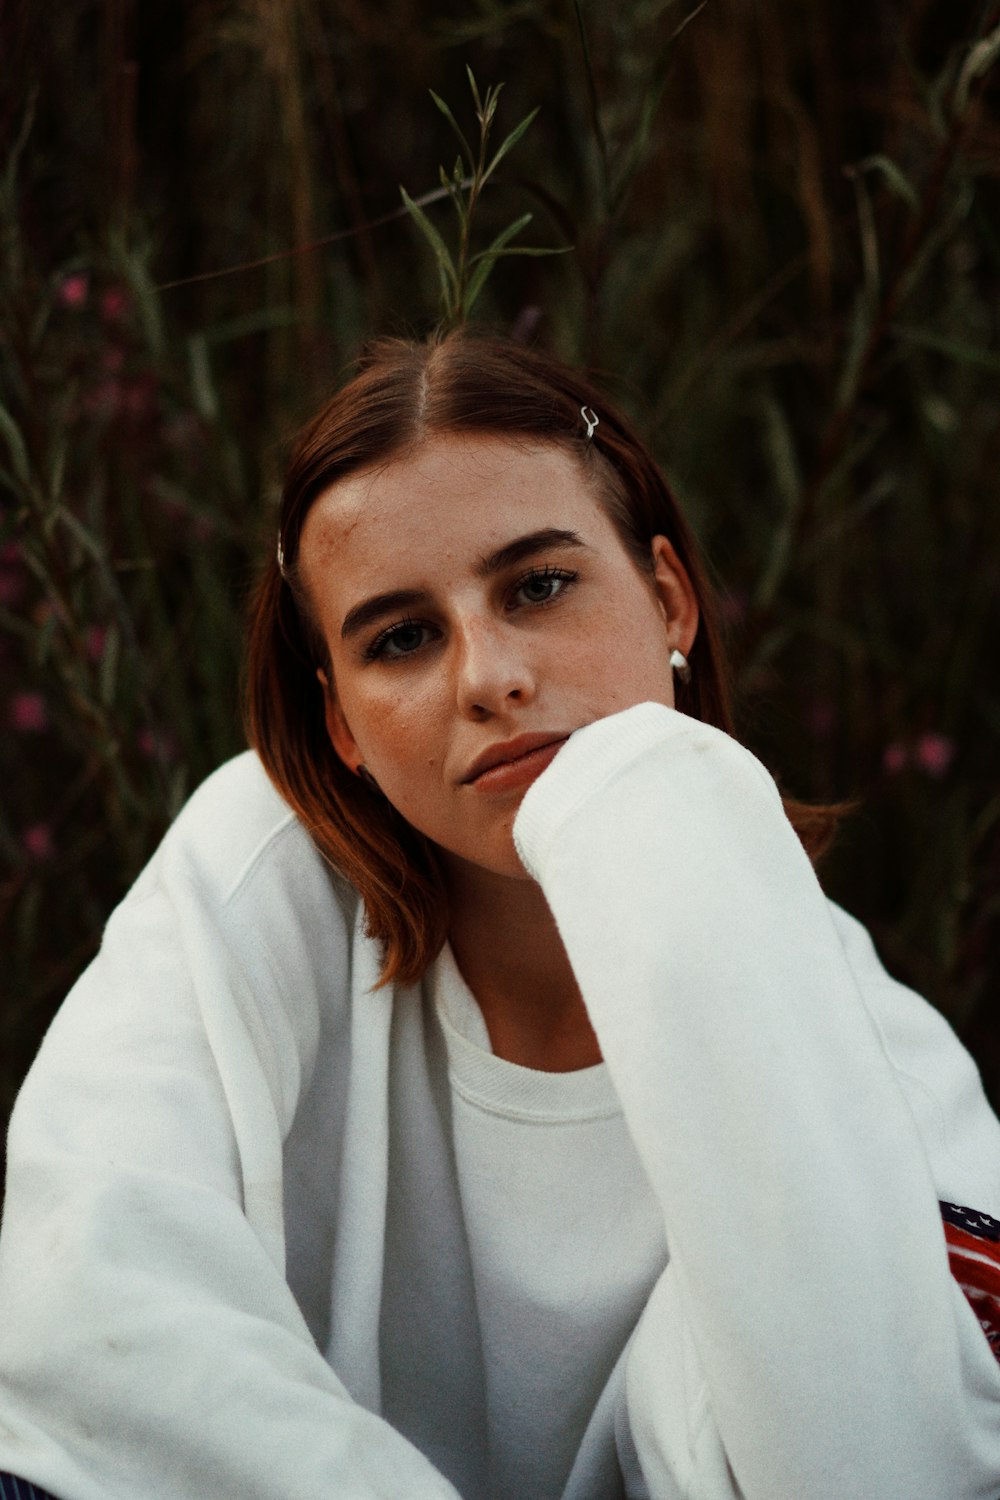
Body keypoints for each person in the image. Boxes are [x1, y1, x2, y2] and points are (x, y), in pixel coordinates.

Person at [1, 328, 999, 1500]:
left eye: (538, 585)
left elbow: (881, 1467)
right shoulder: (255, 870)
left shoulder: (873, 1053)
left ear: (669, 599)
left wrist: (667, 825)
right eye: (402, 637)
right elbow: (90, 1324)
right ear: (341, 727)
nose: (488, 674)